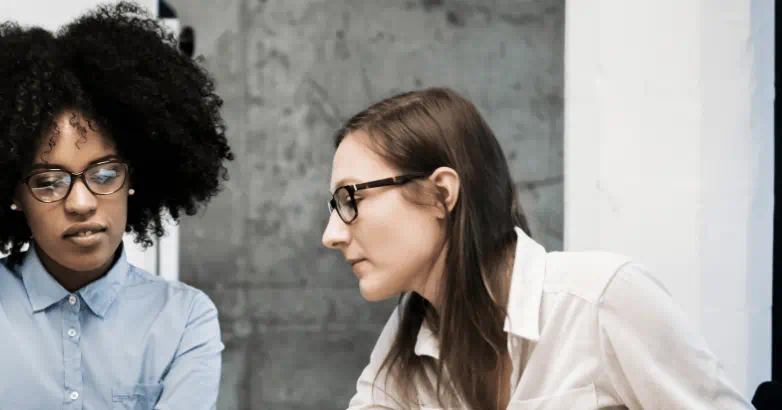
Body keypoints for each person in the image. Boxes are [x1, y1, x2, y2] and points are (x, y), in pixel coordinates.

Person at [322, 87, 755, 409]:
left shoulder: (601, 301)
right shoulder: (410, 334)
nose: (332, 234)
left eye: (350, 198)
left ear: (440, 194)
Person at [0, 2, 233, 409]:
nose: (81, 203)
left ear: (135, 178)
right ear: (12, 194)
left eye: (105, 175)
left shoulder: (184, 319)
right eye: (48, 181)